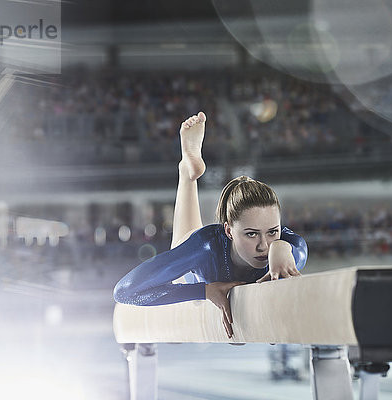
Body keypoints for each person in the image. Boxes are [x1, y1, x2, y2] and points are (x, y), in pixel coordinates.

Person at [114, 112, 308, 338]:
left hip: (211, 255)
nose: (264, 246)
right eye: (251, 234)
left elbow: (295, 249)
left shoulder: (289, 248)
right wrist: (204, 291)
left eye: (272, 232)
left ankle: (188, 170)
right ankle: (186, 171)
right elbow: (125, 292)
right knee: (185, 239)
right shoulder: (206, 247)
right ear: (229, 231)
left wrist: (283, 248)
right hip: (197, 266)